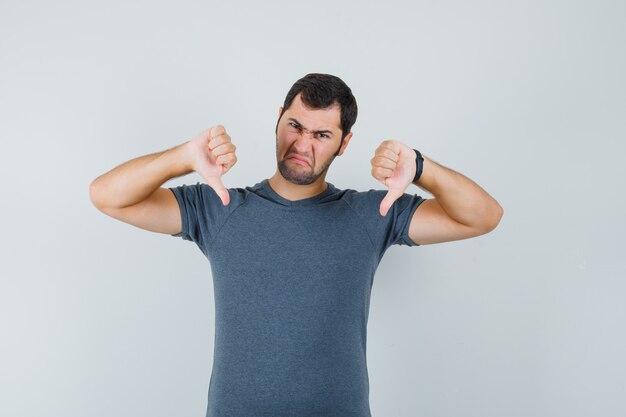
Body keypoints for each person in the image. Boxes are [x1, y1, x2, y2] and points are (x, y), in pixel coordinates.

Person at [89, 73, 503, 417]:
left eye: (322, 134)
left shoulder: (373, 214)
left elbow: (483, 216)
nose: (303, 145)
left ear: (344, 144)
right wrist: (182, 157)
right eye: (295, 126)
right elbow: (107, 195)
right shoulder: (219, 208)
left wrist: (422, 170)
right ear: (278, 120)